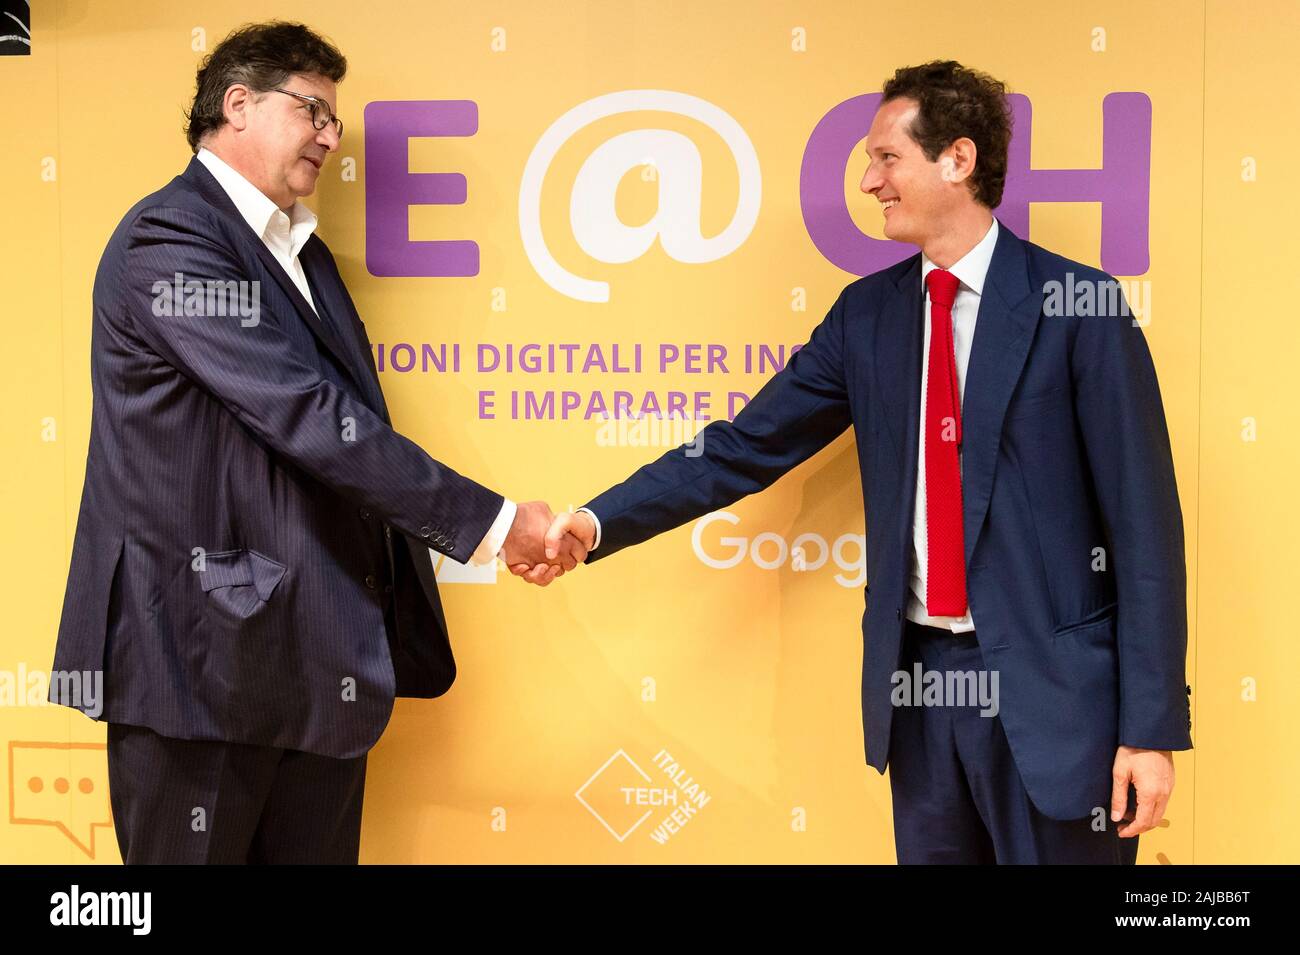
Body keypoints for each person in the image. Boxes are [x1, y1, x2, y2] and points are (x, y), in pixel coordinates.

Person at [539, 60, 1193, 864]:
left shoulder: (1079, 306)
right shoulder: (867, 317)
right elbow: (743, 447)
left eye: (886, 157)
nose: (867, 180)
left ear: (957, 159)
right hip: (919, 699)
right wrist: (598, 518)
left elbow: (1145, 530)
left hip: (1058, 708)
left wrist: (1151, 730)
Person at [47, 20, 580, 864]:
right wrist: (494, 522)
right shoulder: (170, 239)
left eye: (335, 120)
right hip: (199, 668)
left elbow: (346, 424)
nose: (331, 136)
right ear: (238, 105)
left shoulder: (308, 254)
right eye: (314, 111)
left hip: (319, 665)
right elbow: (304, 415)